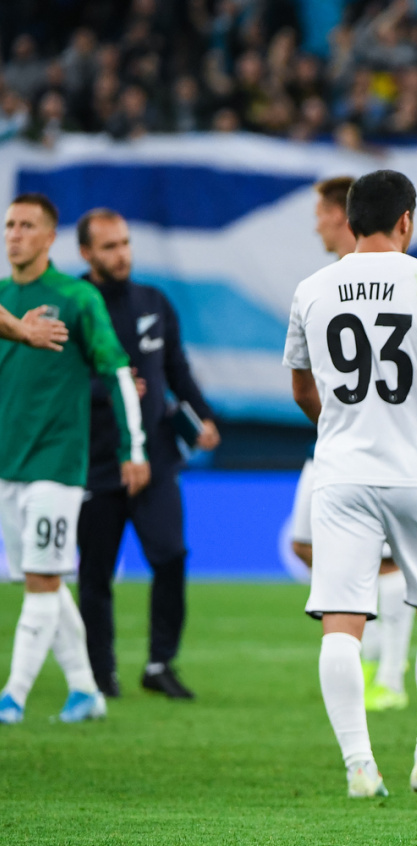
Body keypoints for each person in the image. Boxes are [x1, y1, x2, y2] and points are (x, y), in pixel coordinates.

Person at [284, 169, 417, 797]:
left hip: (342, 472)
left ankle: (359, 768)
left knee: (341, 620)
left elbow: (302, 387)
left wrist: (339, 428)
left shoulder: (313, 289)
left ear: (349, 221)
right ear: (406, 221)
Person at [0, 193, 149, 725]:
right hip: (8, 465)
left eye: (27, 225)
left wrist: (134, 447)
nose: (15, 234)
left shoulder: (76, 298)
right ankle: (86, 690)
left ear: (50, 237)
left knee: (42, 581)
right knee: (43, 580)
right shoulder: (3, 300)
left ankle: (12, 697)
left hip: (58, 465)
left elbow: (117, 371)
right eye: (10, 225)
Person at [74, 208, 220, 700]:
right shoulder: (74, 305)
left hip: (156, 457)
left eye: (125, 243)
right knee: (95, 574)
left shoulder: (153, 301)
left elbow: (175, 368)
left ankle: (159, 663)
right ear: (86, 253)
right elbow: (59, 383)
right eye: (109, 246)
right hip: (98, 459)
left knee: (172, 556)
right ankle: (100, 673)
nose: (122, 254)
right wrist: (110, 388)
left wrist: (203, 417)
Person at [291, 176, 416, 712]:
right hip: (336, 441)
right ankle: (376, 649)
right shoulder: (324, 284)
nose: (316, 226)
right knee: (303, 543)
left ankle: (389, 674)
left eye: (321, 215)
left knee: (387, 561)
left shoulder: (397, 279)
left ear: (344, 216)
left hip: (379, 444)